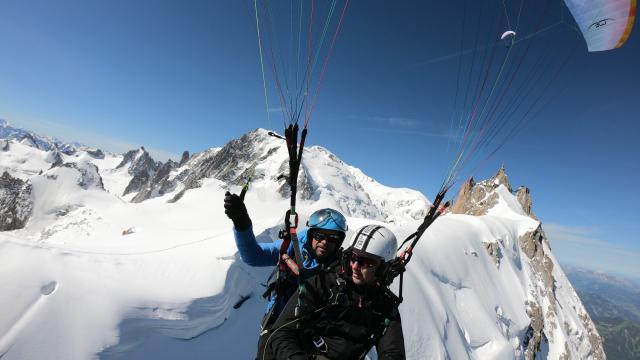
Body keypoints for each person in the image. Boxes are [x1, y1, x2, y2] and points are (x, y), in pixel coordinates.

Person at [223, 192, 348, 356]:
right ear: (311, 234)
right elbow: (253, 256)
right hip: (277, 322)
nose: (324, 242)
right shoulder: (291, 247)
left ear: (339, 241)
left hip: (312, 331)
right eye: (319, 235)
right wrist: (241, 224)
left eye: (332, 238)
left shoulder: (340, 265)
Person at [265, 225, 406, 360]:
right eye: (353, 257)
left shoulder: (384, 306)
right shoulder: (322, 284)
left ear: (383, 268)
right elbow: (281, 332)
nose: (355, 266)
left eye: (366, 262)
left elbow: (392, 352)